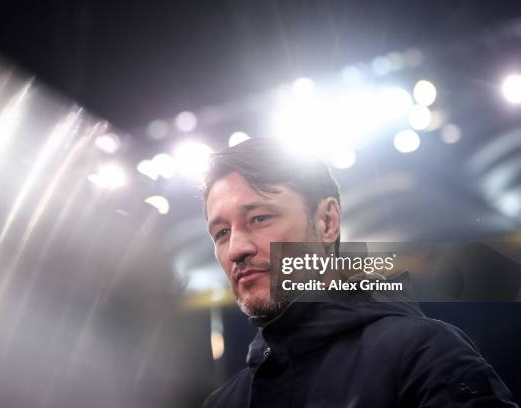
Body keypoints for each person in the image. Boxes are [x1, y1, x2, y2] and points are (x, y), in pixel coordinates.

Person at [201, 138, 518, 407]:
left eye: (259, 218)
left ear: (327, 222)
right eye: (221, 233)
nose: (235, 250)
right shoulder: (224, 401)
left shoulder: (423, 354)